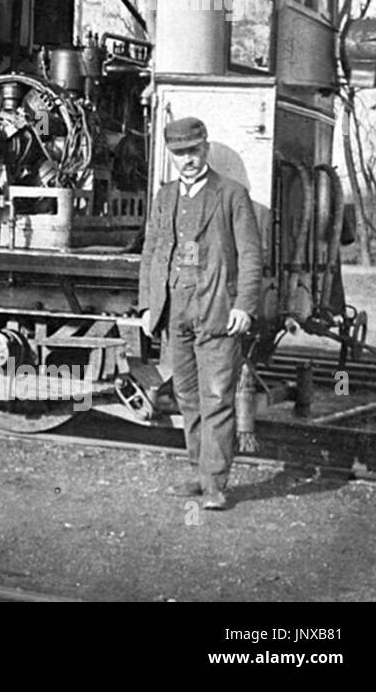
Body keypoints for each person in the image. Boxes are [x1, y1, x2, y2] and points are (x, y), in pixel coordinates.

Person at [138, 117, 262, 510]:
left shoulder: (232, 194)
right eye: (179, 153)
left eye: (193, 151)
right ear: (171, 156)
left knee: (217, 398)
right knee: (186, 396)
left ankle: (215, 484)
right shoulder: (165, 197)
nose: (187, 160)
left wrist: (244, 304)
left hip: (218, 310)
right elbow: (152, 251)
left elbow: (251, 256)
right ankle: (198, 470)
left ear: (205, 148)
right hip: (175, 311)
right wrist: (146, 304)